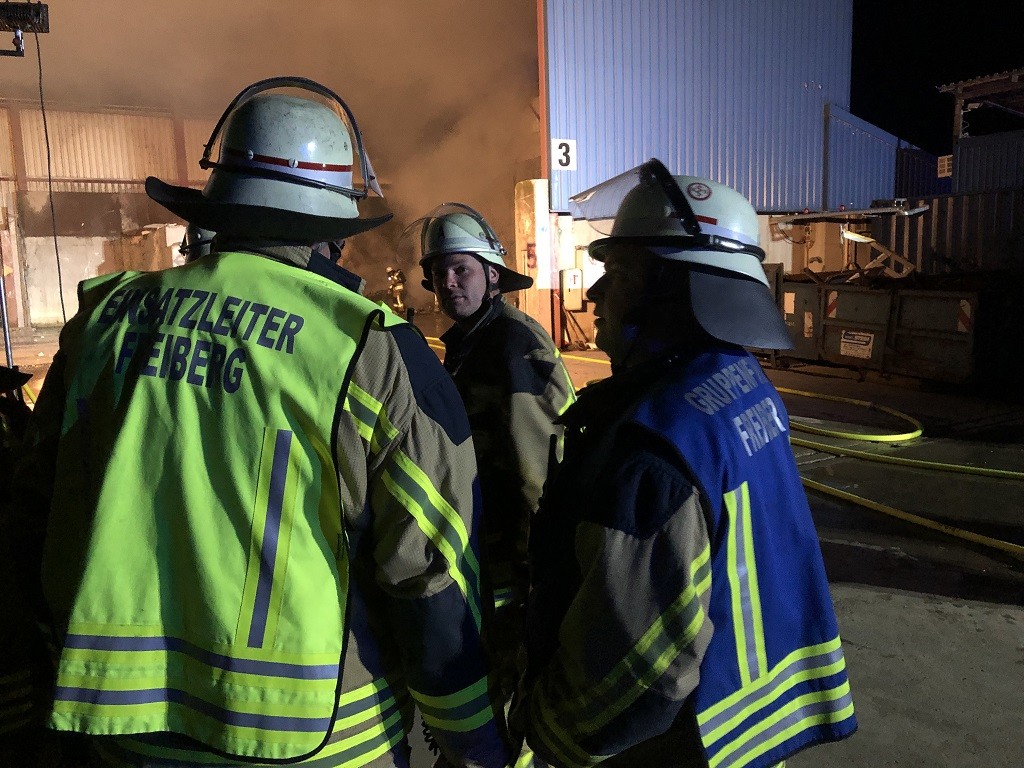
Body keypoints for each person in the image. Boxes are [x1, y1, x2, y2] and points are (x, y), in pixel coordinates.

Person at [18, 77, 509, 768]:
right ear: (333, 234)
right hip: (322, 740)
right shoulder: (369, 347)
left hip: (123, 729)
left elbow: (35, 509)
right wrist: (473, 738)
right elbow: (428, 569)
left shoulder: (103, 322)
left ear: (217, 209)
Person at [517, 160, 857, 767]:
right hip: (744, 728)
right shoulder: (739, 379)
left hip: (679, 744)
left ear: (671, 293)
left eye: (619, 274)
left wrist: (546, 731)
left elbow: (643, 663)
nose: (594, 294)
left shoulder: (654, 450)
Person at [413, 203, 576, 741]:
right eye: (440, 272)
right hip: (492, 548)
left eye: (461, 269)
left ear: (492, 274)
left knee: (512, 684)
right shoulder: (475, 340)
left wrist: (540, 577)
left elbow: (538, 475)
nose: (448, 283)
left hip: (517, 559)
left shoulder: (511, 345)